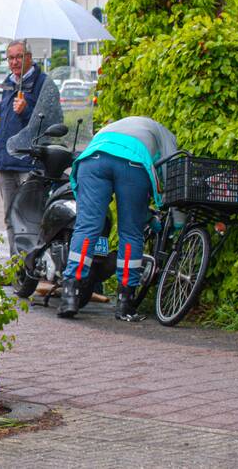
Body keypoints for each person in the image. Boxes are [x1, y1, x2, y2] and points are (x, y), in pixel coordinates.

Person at [58, 116, 178, 321]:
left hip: (93, 158)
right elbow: (172, 174)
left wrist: (146, 215)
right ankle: (125, 303)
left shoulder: (117, 126)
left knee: (87, 227)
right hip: (132, 165)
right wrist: (177, 223)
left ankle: (70, 295)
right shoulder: (165, 135)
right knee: (131, 233)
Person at [0, 40, 61, 245]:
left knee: (31, 218)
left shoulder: (44, 84)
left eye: (19, 57)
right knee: (10, 218)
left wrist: (26, 110)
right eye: (10, 58)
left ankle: (33, 260)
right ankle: (17, 263)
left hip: (29, 164)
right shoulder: (9, 84)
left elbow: (54, 121)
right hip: (7, 163)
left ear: (29, 57)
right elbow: (5, 122)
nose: (14, 62)